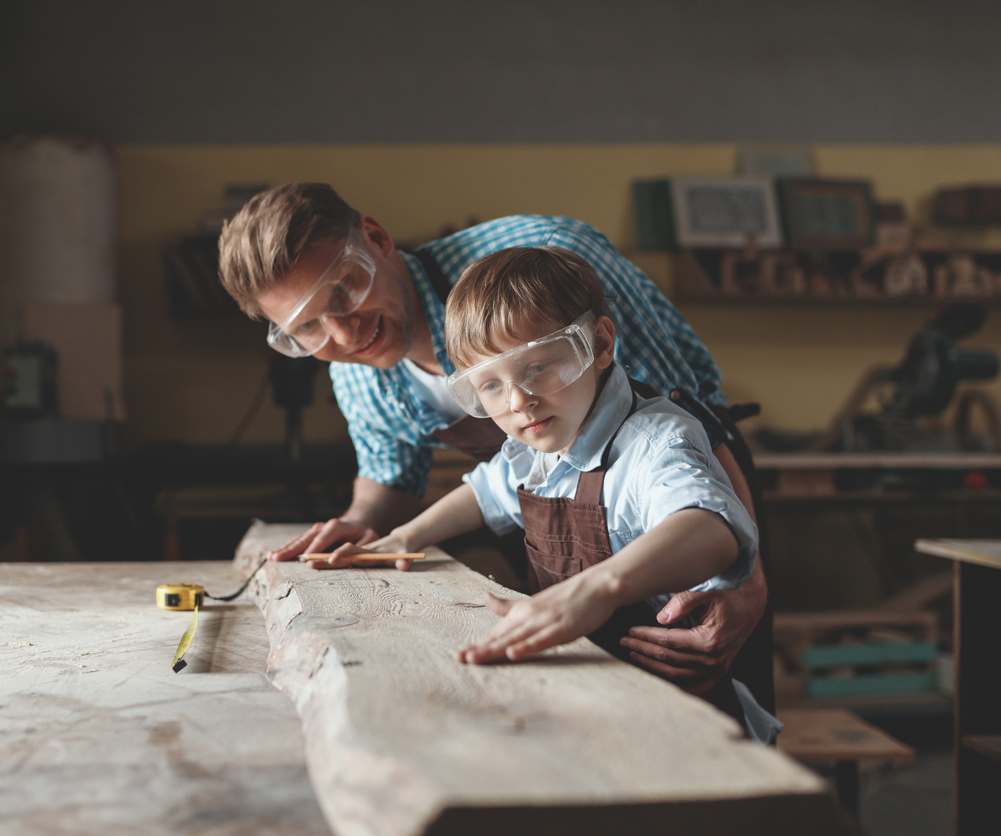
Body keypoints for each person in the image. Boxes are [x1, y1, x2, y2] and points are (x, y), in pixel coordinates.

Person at [217, 182, 772, 713]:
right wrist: (371, 531)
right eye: (308, 328)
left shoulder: (551, 266)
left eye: (343, 290)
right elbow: (432, 483)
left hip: (691, 525)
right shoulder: (361, 376)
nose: (341, 333)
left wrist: (744, 580)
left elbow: (695, 424)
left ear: (377, 239)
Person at [326, 246, 777, 740]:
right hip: (596, 707)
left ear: (600, 344)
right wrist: (404, 536)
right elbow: (486, 492)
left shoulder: (655, 442)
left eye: (538, 368)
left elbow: (710, 526)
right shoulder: (540, 444)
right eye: (490, 387)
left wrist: (596, 590)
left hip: (682, 718)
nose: (519, 400)